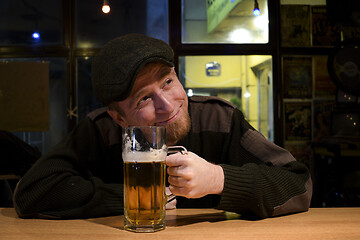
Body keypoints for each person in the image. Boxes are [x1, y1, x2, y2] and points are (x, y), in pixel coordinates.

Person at [13, 34, 312, 219]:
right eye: (144, 99)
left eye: (168, 82)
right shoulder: (101, 131)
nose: (168, 106)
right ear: (118, 118)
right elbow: (31, 194)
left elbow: (300, 184)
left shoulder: (218, 119)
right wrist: (136, 197)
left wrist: (219, 179)